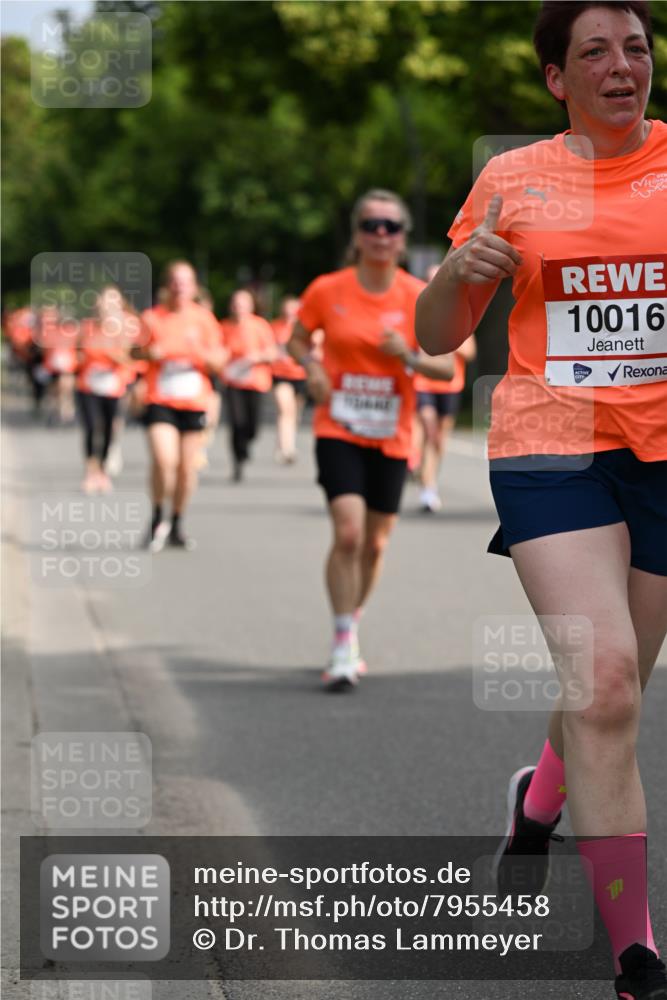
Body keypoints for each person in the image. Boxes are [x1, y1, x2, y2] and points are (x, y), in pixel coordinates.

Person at [416, 3, 666, 996]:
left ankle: (537, 799)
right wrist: (451, 273)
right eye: (594, 53)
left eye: (637, 49)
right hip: (549, 448)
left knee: (615, 686)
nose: (621, 66)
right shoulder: (512, 180)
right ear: (557, 80)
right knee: (602, 682)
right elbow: (438, 334)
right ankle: (636, 956)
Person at [289, 188, 454, 691]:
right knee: (349, 533)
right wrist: (312, 365)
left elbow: (445, 367)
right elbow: (295, 338)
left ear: (403, 239)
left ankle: (351, 620)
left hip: (391, 432)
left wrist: (408, 354)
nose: (381, 235)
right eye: (371, 226)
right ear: (357, 236)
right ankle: (342, 642)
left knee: (376, 544)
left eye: (392, 227)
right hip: (338, 426)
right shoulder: (328, 290)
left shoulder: (417, 296)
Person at [134, 260, 225, 551]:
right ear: (167, 285)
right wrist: (150, 352)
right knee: (164, 461)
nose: (180, 287)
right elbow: (133, 351)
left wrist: (198, 353)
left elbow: (219, 362)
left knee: (187, 469)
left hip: (194, 400)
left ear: (194, 287)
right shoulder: (152, 318)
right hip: (160, 399)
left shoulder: (204, 319)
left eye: (185, 282)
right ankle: (157, 517)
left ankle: (176, 522)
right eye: (175, 281)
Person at [415, 263, 477, 511]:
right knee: (428, 428)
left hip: (450, 386)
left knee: (439, 440)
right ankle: (425, 482)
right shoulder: (420, 312)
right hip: (423, 383)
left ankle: (428, 483)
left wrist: (448, 338)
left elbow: (470, 352)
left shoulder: (459, 313)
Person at [75, 286, 135, 494]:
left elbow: (129, 358)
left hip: (113, 387)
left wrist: (111, 354)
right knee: (91, 427)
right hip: (88, 385)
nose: (107, 308)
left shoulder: (124, 329)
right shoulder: (87, 327)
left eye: (113, 303)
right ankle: (90, 472)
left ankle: (102, 471)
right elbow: (78, 353)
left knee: (110, 429)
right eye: (104, 303)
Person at [219, 289, 277, 482]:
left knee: (252, 426)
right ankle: (238, 459)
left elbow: (272, 353)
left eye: (243, 304)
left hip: (256, 382)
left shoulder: (260, 326)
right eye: (235, 304)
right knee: (236, 422)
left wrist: (257, 357)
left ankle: (246, 443)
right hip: (233, 381)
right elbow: (218, 352)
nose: (239, 309)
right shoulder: (224, 327)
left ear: (251, 306)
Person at [271, 295, 307, 464]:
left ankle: (289, 442)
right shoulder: (274, 327)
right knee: (285, 409)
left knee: (294, 413)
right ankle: (286, 448)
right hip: (280, 374)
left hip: (300, 374)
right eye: (287, 308)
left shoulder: (305, 329)